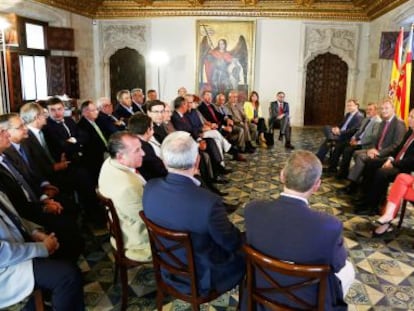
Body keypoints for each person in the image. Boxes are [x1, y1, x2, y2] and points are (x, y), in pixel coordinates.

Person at [244, 150, 355, 310]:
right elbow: (338, 264)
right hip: (308, 302)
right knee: (349, 270)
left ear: (282, 175)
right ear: (317, 185)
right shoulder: (329, 225)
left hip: (261, 291)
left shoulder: (252, 210)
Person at [143, 131, 245, 295]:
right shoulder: (209, 202)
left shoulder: (150, 188)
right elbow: (231, 242)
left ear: (163, 161)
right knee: (248, 255)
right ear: (197, 161)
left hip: (167, 267)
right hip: (202, 277)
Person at [0, 191, 84, 311]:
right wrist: (42, 248)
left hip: (16, 251)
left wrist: (35, 233)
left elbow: (15, 218)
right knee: (68, 276)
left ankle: (49, 299)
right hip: (6, 269)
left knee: (64, 247)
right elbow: (2, 253)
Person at [98, 131, 152, 261]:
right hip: (138, 241)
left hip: (124, 224)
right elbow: (151, 219)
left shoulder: (109, 162)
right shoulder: (128, 187)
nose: (143, 153)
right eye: (137, 150)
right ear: (121, 156)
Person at [353, 109, 414, 216]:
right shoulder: (410, 131)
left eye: (412, 117)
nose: (409, 119)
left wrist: (394, 164)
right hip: (396, 161)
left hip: (405, 168)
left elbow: (411, 161)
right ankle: (365, 198)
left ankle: (373, 207)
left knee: (381, 173)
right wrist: (390, 159)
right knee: (370, 163)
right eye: (409, 116)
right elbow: (399, 149)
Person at [339, 99, 406, 195]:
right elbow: (376, 139)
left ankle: (353, 186)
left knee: (362, 157)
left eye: (386, 108)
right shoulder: (384, 122)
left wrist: (379, 153)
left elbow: (396, 145)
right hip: (376, 150)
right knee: (357, 153)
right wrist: (373, 149)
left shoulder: (399, 124)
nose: (383, 111)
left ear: (393, 109)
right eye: (382, 108)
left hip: (387, 155)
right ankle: (359, 182)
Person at [333, 103, 381, 179]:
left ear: (376, 111)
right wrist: (354, 137)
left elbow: (373, 138)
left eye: (370, 109)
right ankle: (334, 168)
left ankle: (343, 174)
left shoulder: (378, 122)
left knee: (347, 150)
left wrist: (358, 142)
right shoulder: (367, 119)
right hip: (358, 140)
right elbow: (359, 131)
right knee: (340, 145)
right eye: (367, 109)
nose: (368, 111)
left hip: (365, 144)